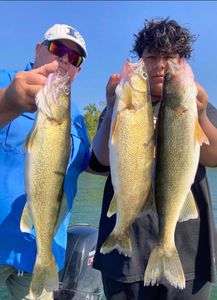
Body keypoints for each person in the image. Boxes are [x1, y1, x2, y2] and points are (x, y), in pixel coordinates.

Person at [90, 18, 217, 300]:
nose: (161, 65)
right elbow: (99, 160)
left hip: (188, 252)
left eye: (170, 57)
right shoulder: (122, 106)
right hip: (126, 256)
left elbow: (213, 156)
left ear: (182, 60)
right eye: (152, 56)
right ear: (142, 60)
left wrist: (202, 115)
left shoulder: (198, 106)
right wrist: (111, 108)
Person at [0, 24, 90, 299]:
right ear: (39, 49)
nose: (64, 59)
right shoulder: (7, 82)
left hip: (43, 253)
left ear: (78, 70)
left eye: (74, 58)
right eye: (57, 49)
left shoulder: (76, 120)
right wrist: (9, 102)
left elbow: (87, 167)